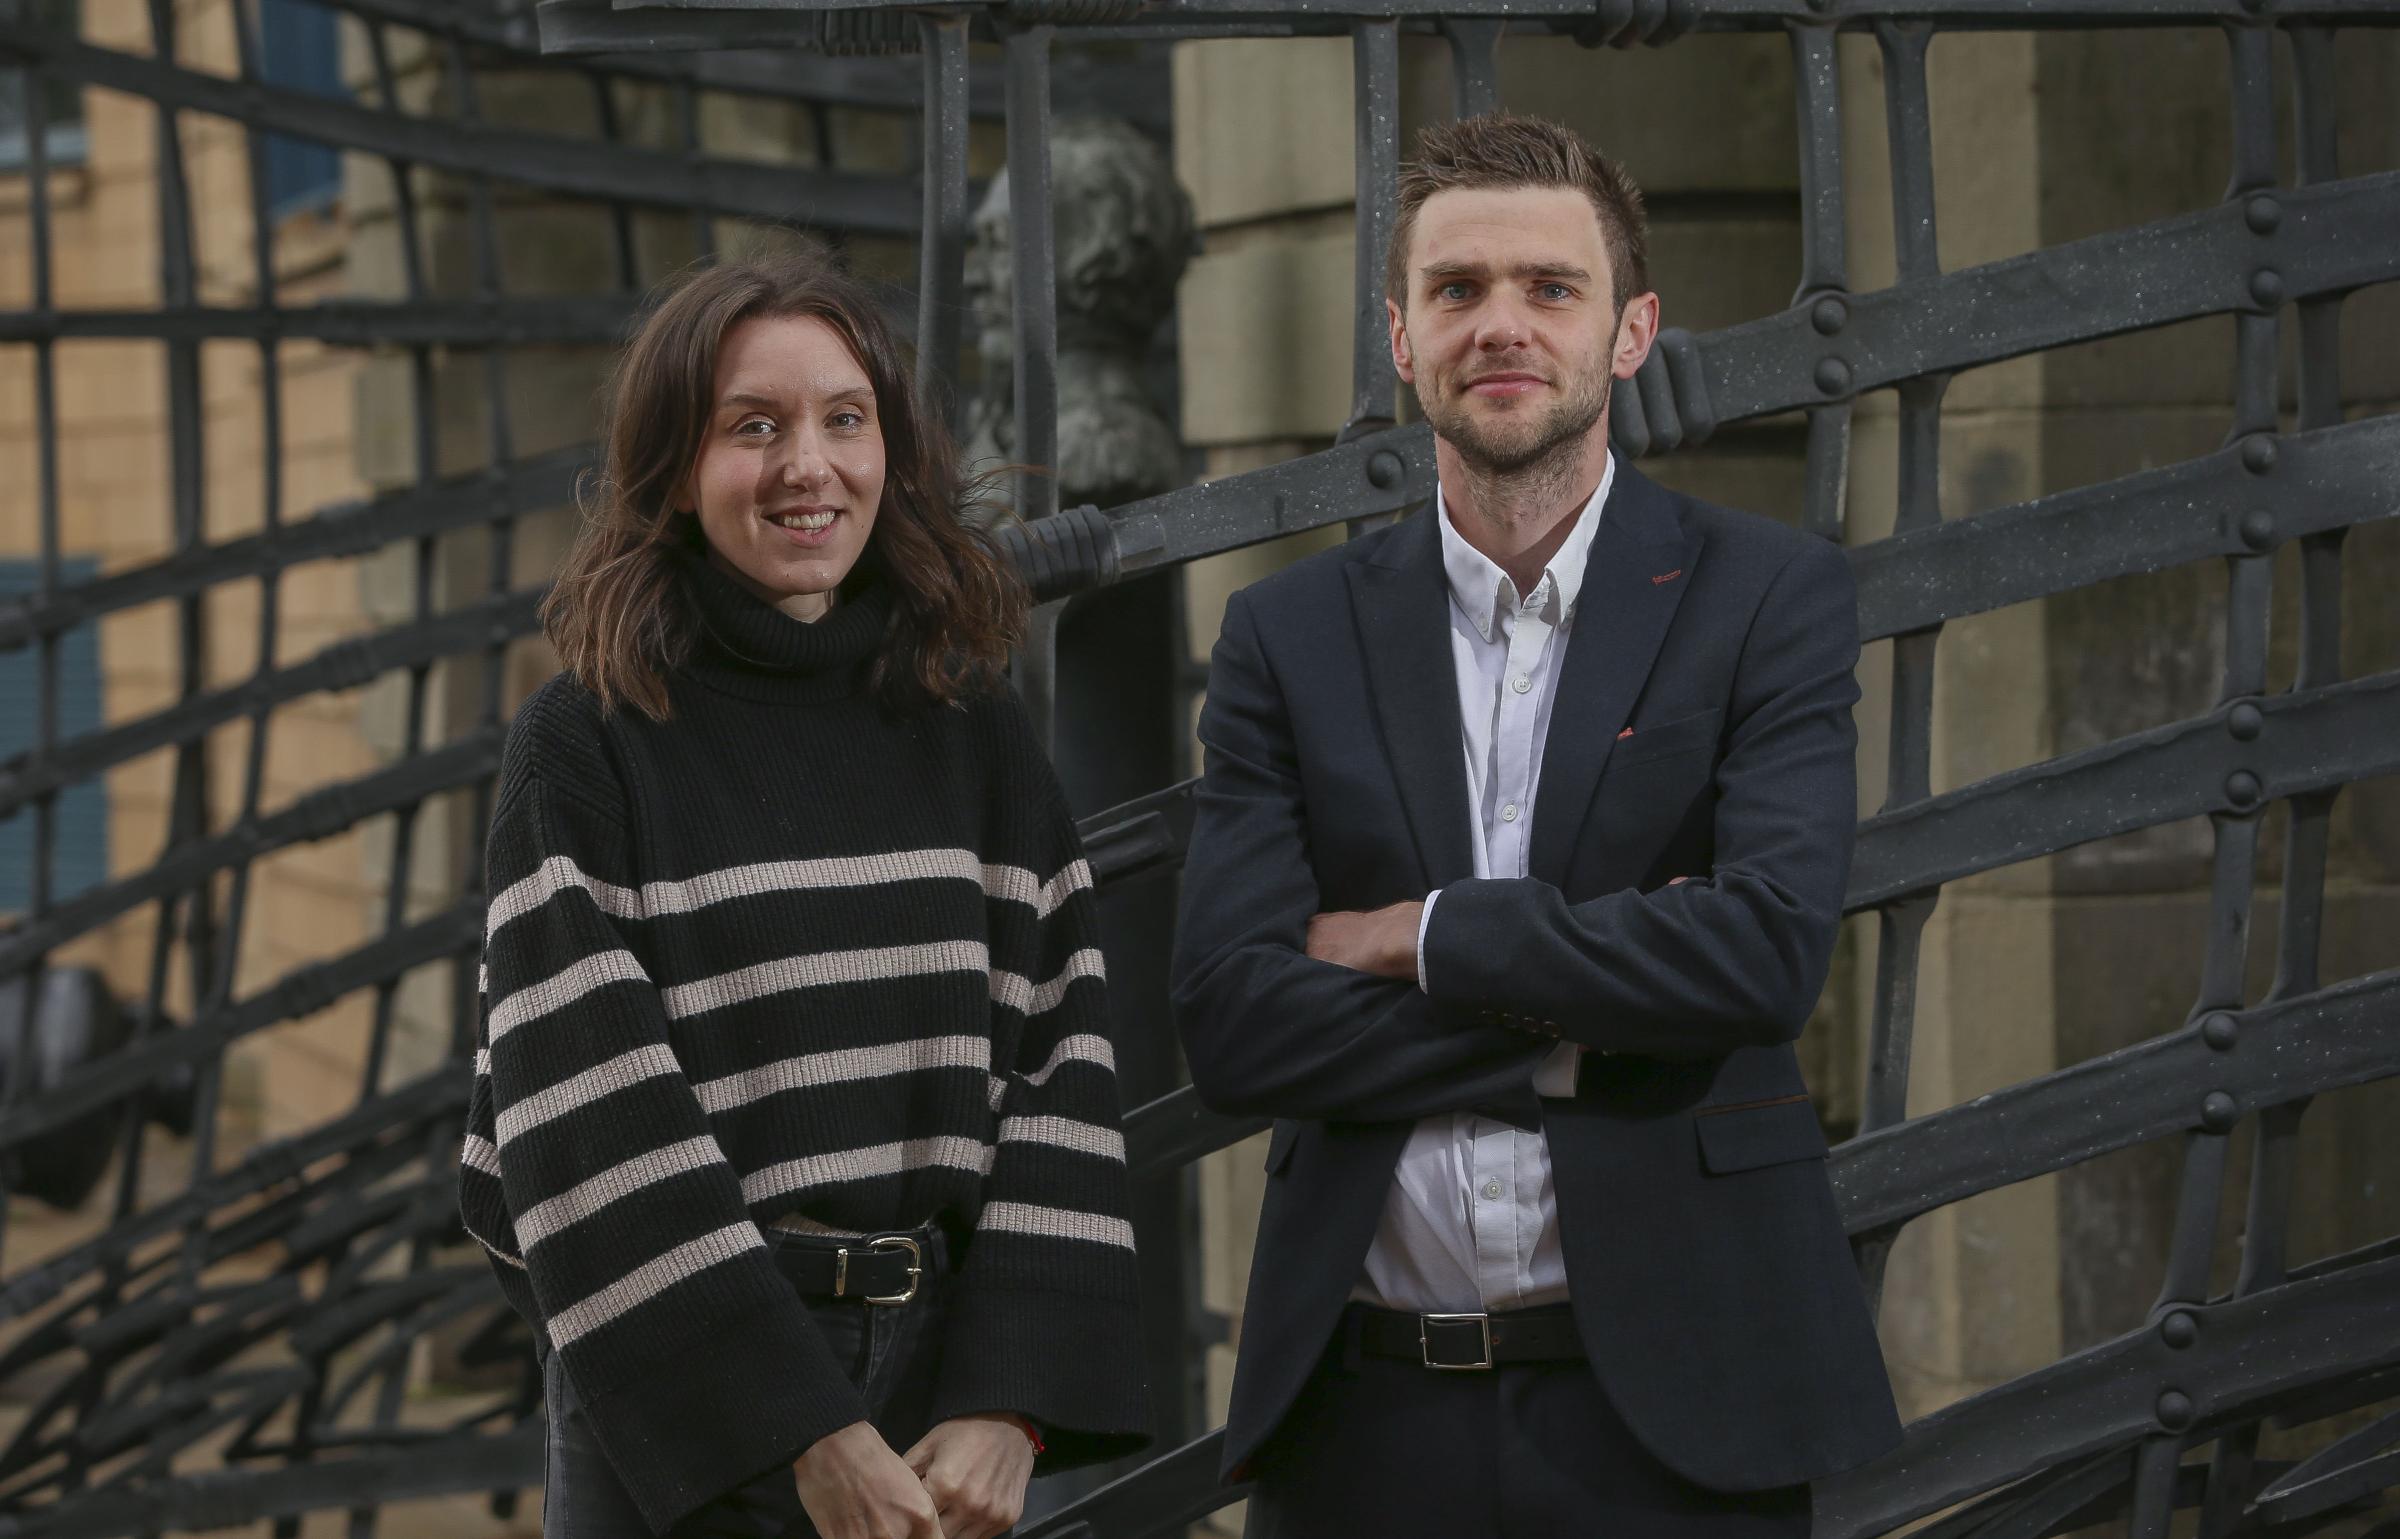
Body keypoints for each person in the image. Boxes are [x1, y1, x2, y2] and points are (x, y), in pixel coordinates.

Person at [1170, 114, 1902, 1537]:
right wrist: (1583, 1013)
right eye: (1457, 290)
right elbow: (1233, 1020)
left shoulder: (1767, 596)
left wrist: (1424, 939)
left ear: (1631, 331)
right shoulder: (1285, 636)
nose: (1500, 323)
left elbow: (1759, 958)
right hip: (1361, 1420)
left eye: (1549, 289)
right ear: (1399, 334)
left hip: (1681, 1411)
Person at [456, 250, 1150, 1539]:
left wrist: (1011, 1404)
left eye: (846, 419)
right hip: (688, 1393)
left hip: (946, 1395)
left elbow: (1062, 1054)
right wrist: (799, 1428)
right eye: (752, 427)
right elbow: (579, 1117)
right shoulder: (588, 743)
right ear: (673, 470)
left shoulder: (967, 723)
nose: (807, 466)